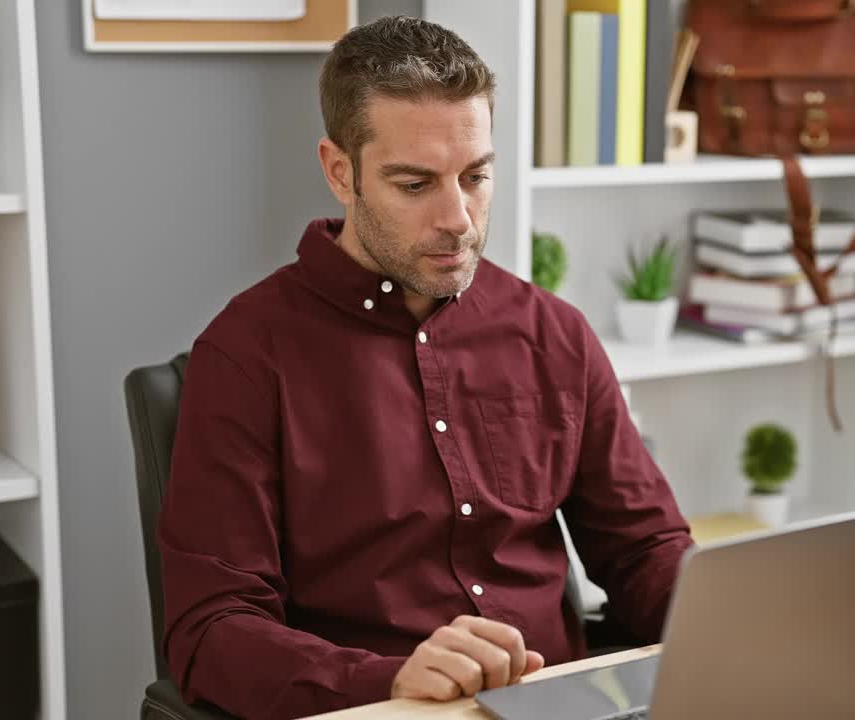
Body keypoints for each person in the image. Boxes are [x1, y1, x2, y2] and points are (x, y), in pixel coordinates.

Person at [158, 15, 693, 720]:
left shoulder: (554, 334)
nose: (459, 219)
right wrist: (390, 680)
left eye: (476, 176)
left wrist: (737, 624)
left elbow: (643, 548)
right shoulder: (247, 355)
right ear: (340, 171)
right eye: (415, 185)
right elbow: (210, 631)